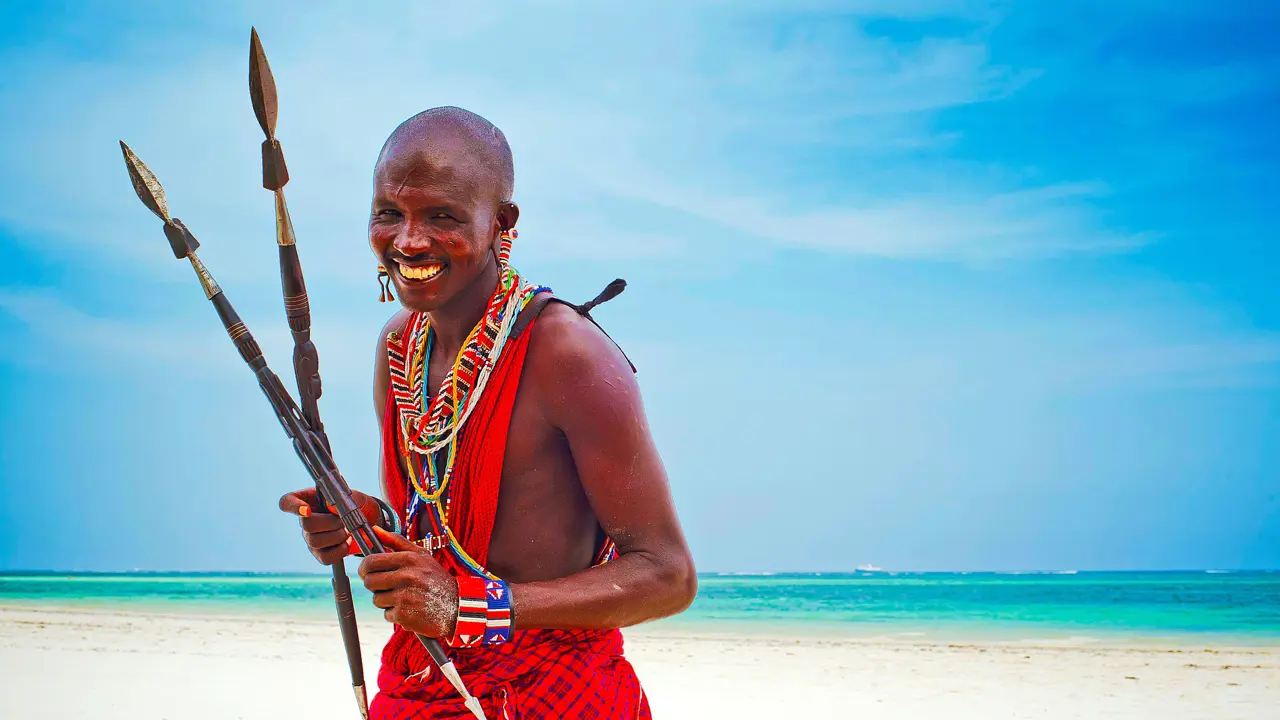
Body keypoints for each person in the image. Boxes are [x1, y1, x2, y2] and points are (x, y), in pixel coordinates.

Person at [278, 106, 697, 719]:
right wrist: (364, 522)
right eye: (390, 213)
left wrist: (470, 607)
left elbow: (667, 576)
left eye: (441, 216)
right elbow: (439, 523)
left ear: (501, 223)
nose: (409, 241)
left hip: (553, 694)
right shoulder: (400, 345)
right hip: (421, 679)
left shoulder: (566, 353)